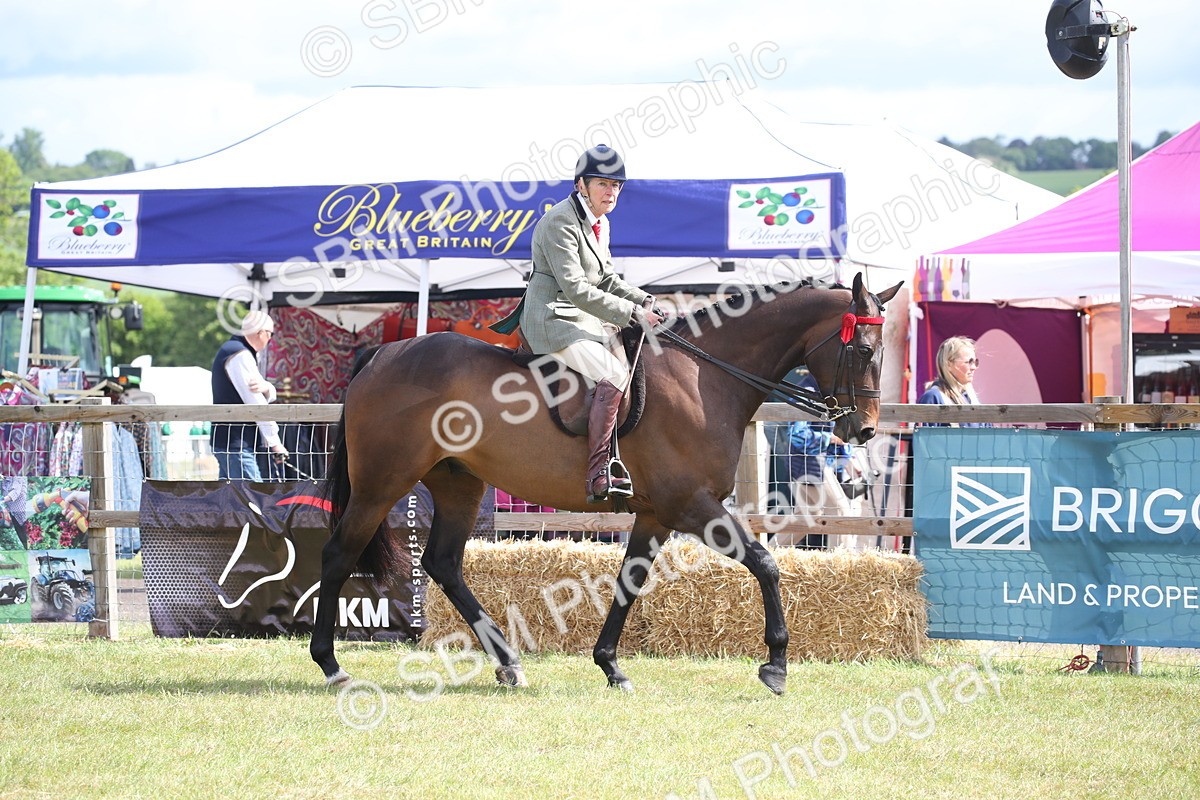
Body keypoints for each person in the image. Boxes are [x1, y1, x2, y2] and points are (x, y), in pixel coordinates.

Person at [492, 144, 666, 503]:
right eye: (603, 183)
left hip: (582, 316)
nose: (611, 191)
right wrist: (632, 315)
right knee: (615, 375)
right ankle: (598, 471)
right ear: (580, 185)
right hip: (553, 318)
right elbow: (576, 289)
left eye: (617, 185)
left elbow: (606, 279)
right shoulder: (560, 222)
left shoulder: (601, 223)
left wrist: (643, 299)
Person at [210, 310, 288, 480]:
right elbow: (255, 402)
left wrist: (267, 388)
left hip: (230, 442)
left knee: (230, 502)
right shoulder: (241, 355)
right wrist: (275, 443)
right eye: (270, 334)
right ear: (261, 333)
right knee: (254, 499)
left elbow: (262, 391)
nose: (270, 339)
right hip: (236, 443)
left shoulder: (235, 351)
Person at [917, 336, 987, 424]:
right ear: (949, 364)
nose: (973, 367)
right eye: (969, 362)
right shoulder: (933, 398)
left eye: (975, 362)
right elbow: (924, 437)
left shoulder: (971, 399)